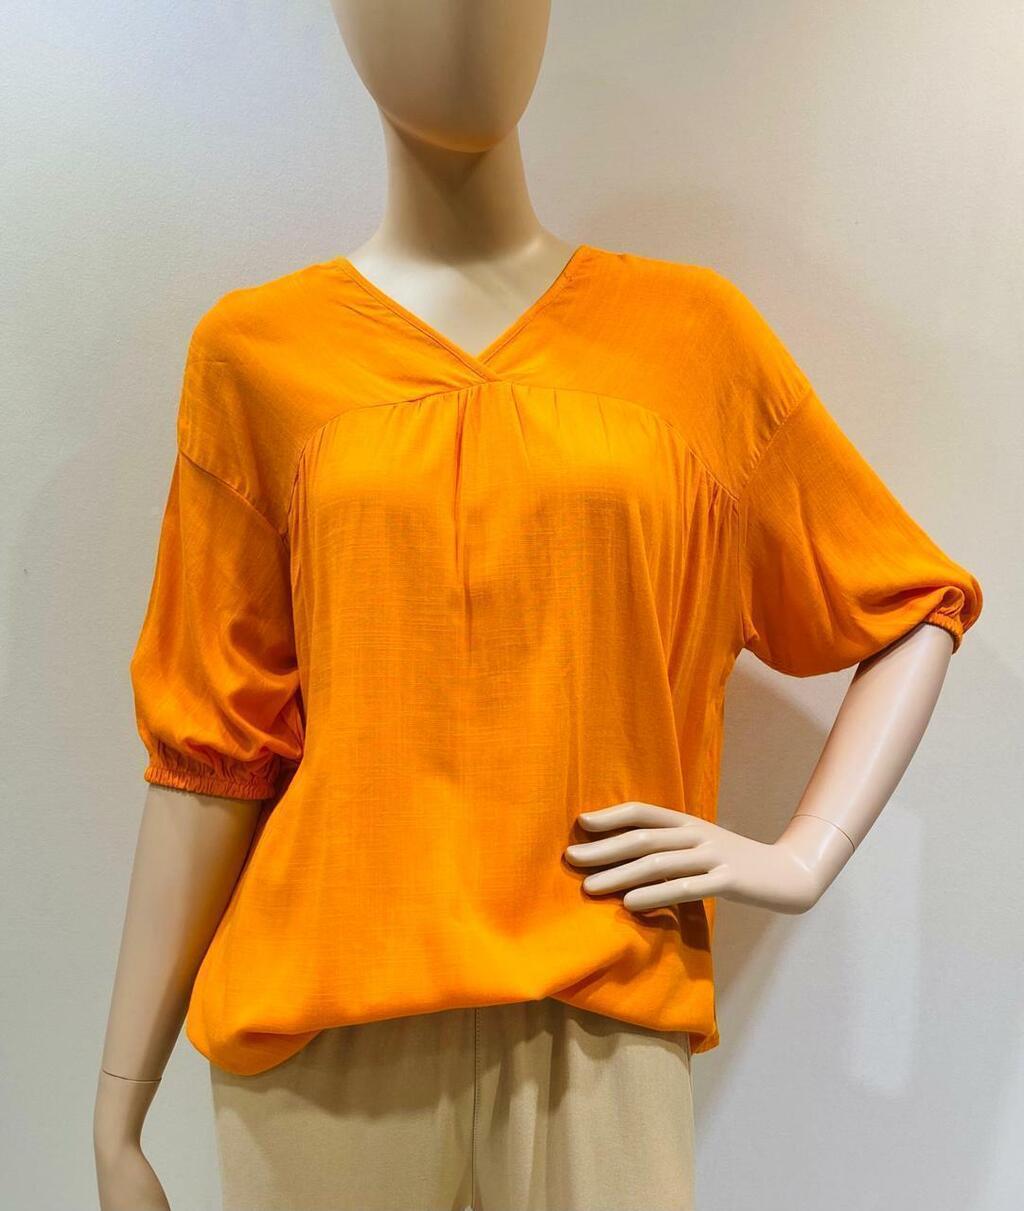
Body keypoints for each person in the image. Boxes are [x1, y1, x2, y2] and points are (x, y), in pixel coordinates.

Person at [94, 3, 984, 1209]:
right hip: (321, 1034)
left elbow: (908, 602)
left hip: (601, 1014)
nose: (462, 21)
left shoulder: (691, 338)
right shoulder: (257, 354)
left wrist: (799, 854)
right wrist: (119, 1106)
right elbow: (210, 753)